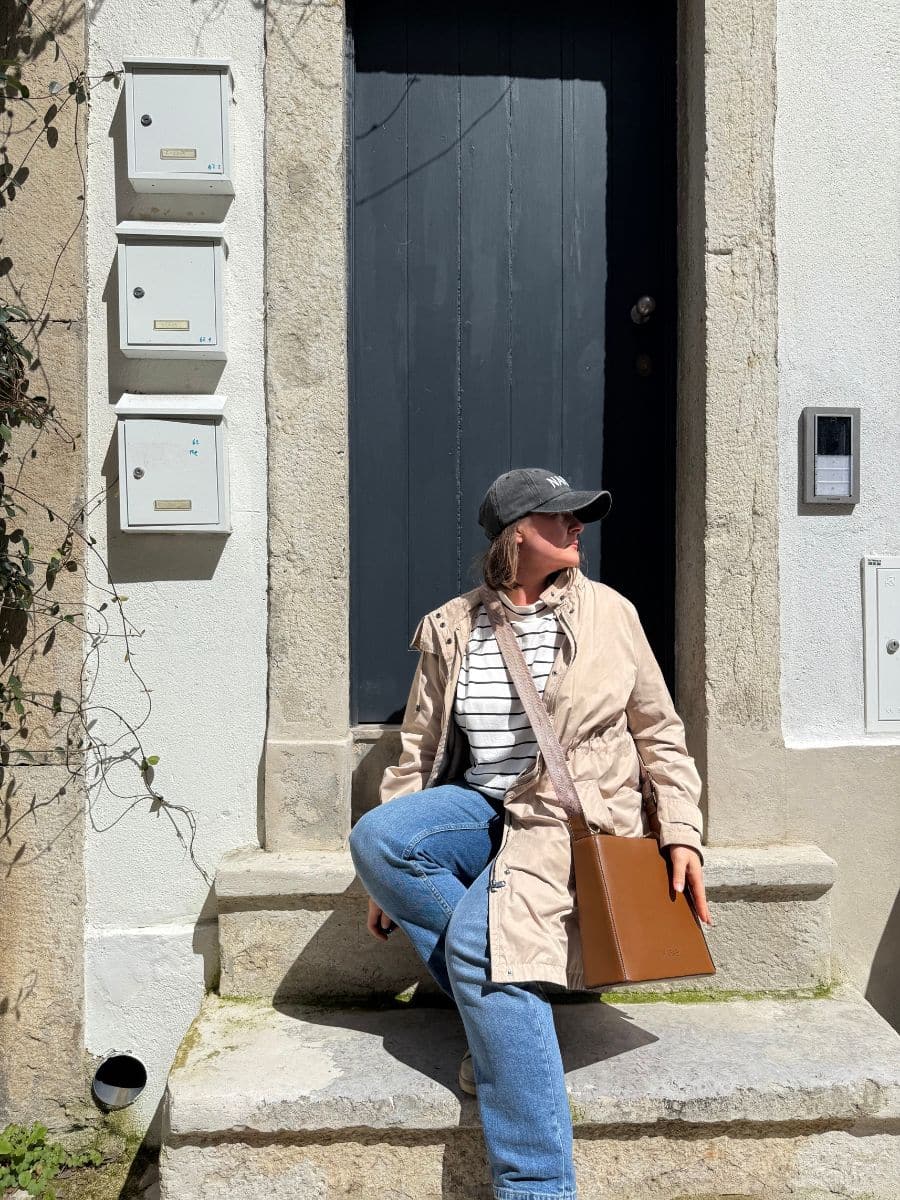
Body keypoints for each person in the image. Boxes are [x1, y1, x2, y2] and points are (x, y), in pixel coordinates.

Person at [349, 467, 712, 1200]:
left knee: (483, 947)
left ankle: (537, 1186)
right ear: (516, 534)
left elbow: (660, 733)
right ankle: (507, 1030)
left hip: (565, 815)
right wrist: (383, 883)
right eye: (560, 516)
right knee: (379, 840)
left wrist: (680, 830)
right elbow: (419, 748)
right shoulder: (453, 626)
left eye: (580, 516)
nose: (578, 526)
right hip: (482, 805)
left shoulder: (610, 614)